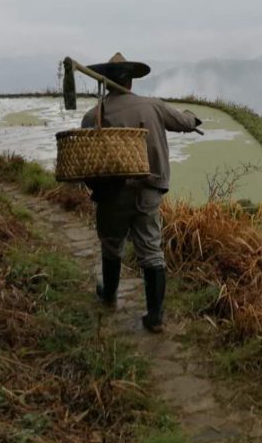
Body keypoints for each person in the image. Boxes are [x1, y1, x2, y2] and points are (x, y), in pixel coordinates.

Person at [81, 52, 201, 332]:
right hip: (148, 190)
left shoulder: (93, 116)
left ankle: (109, 295)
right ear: (130, 81)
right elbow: (183, 123)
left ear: (107, 83)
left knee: (112, 244)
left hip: (111, 194)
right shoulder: (152, 106)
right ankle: (155, 317)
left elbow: (88, 158)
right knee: (150, 250)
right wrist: (192, 118)